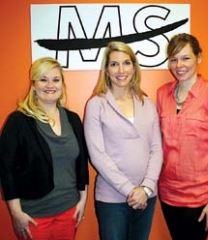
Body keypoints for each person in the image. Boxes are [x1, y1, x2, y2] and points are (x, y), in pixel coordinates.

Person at [0, 57, 89, 240]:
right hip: (33, 216)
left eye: (56, 80)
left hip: (69, 210)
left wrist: (83, 200)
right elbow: (5, 169)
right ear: (33, 85)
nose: (50, 85)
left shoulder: (73, 119)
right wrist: (16, 212)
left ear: (62, 84)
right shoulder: (18, 121)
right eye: (43, 79)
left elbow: (81, 163)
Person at [84, 41, 163, 240]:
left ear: (134, 67)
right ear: (106, 70)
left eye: (126, 63)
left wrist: (146, 188)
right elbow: (97, 155)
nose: (121, 70)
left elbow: (157, 149)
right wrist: (131, 191)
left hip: (147, 196)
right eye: (114, 64)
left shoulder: (148, 104)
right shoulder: (96, 104)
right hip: (112, 199)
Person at [157, 33, 208, 240]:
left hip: (199, 197)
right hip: (168, 194)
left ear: (199, 58)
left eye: (185, 58)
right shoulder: (162, 94)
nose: (179, 65)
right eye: (173, 59)